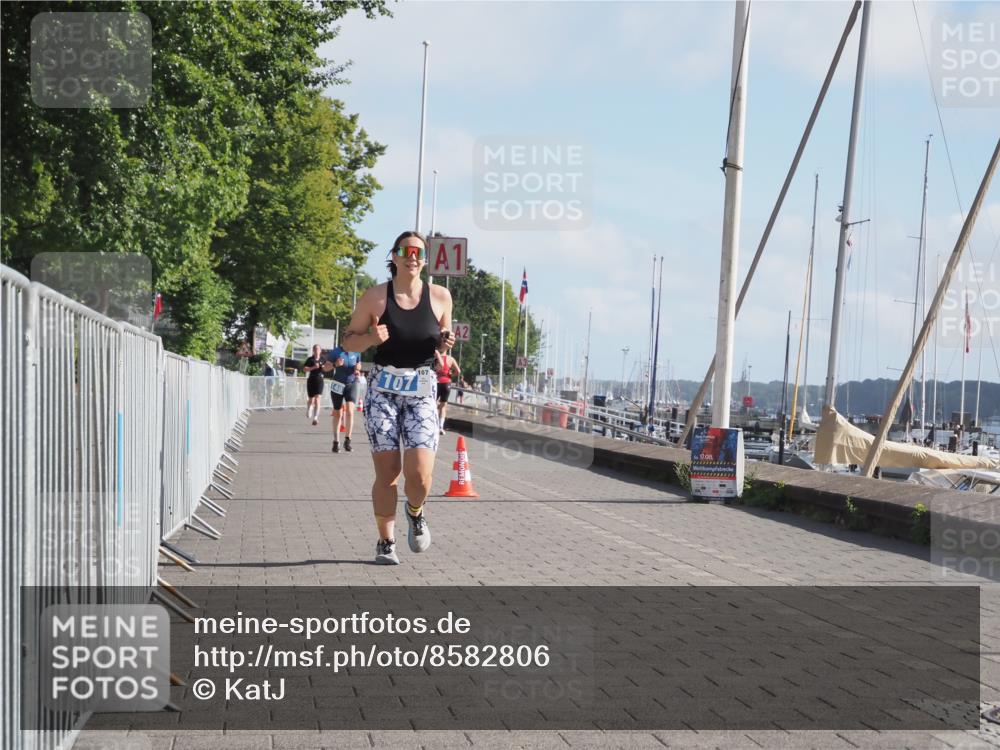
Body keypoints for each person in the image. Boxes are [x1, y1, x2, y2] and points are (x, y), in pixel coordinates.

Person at [340, 230, 455, 565]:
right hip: (383, 390)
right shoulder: (376, 297)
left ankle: (415, 511)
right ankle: (385, 541)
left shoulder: (440, 297)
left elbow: (443, 343)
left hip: (421, 389)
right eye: (406, 250)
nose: (413, 256)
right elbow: (348, 342)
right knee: (388, 471)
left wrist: (445, 347)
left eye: (419, 251)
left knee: (419, 475)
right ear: (394, 256)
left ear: (424, 258)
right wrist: (370, 338)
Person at [322, 345, 362, 453]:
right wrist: (335, 364)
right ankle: (336, 442)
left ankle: (348, 441)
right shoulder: (336, 352)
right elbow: (325, 368)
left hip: (352, 383)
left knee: (350, 411)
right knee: (338, 413)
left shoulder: (356, 351)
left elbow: (359, 364)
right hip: (338, 384)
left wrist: (358, 368)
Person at [433, 350, 461, 434]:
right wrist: (450, 375)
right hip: (446, 383)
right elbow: (458, 371)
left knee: (432, 404)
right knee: (443, 406)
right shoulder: (451, 359)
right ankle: (440, 427)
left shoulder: (435, 358)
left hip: (436, 382)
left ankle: (432, 424)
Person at [302, 344, 326, 425]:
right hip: (311, 379)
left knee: (318, 398)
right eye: (315, 349)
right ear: (313, 350)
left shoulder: (323, 359)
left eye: (318, 349)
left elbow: (327, 368)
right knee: (311, 399)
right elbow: (304, 369)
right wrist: (313, 367)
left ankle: (315, 417)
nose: (316, 351)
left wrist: (323, 367)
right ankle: (309, 408)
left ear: (320, 350)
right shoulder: (310, 359)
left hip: (320, 379)